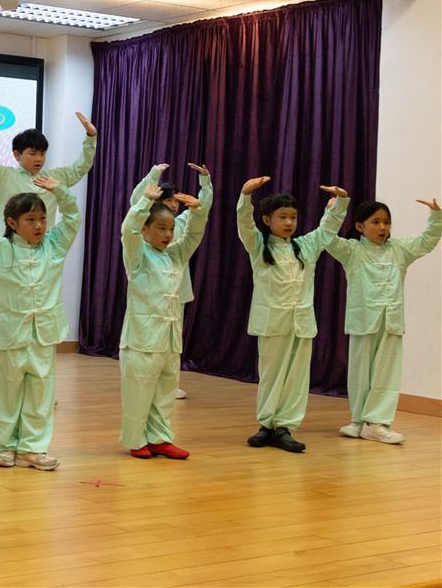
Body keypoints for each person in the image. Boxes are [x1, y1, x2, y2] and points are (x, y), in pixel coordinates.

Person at [0, 177, 79, 470]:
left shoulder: (54, 246)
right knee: (6, 394)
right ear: (11, 222)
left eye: (42, 218)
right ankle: (5, 446)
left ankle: (33, 448)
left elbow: (73, 218)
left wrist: (59, 190)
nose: (39, 225)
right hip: (11, 336)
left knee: (41, 395)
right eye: (30, 219)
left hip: (44, 334)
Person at [237, 178, 349, 453]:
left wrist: (341, 202)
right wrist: (245, 195)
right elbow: (245, 225)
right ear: (267, 219)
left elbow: (327, 229)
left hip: (302, 323)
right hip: (272, 323)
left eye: (293, 217)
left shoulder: (306, 246)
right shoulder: (259, 246)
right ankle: (267, 425)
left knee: (297, 378)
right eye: (282, 217)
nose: (288, 222)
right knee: (271, 375)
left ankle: (285, 427)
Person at [326, 198, 440, 444]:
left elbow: (426, 242)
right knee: (359, 374)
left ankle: (376, 422)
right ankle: (359, 421)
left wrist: (436, 217)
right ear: (360, 226)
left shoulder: (400, 249)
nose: (382, 227)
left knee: (386, 373)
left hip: (391, 321)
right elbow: (327, 239)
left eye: (386, 222)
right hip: (363, 320)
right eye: (375, 222)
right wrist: (333, 212)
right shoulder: (351, 250)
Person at [119, 175, 210, 459]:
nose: (168, 234)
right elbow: (127, 231)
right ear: (145, 229)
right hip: (142, 340)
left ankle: (159, 438)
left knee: (165, 392)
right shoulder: (137, 256)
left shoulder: (175, 255)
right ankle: (136, 440)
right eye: (161, 228)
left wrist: (198, 211)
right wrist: (144, 202)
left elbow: (192, 236)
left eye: (171, 229)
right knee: (139, 393)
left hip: (170, 340)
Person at [129, 163, 213, 399]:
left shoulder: (182, 221)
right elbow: (136, 202)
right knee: (148, 336)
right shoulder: (145, 220)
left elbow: (201, 212)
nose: (174, 205)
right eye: (169, 200)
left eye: (176, 201)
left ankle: (170, 383)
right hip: (149, 287)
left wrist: (205, 182)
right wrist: (153, 174)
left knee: (173, 339)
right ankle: (145, 380)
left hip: (176, 287)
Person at [0, 94, 96, 233]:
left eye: (42, 153)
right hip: (11, 246)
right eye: (33, 153)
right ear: (17, 155)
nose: (39, 159)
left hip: (45, 246)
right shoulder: (4, 176)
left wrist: (91, 137)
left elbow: (81, 167)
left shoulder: (54, 179)